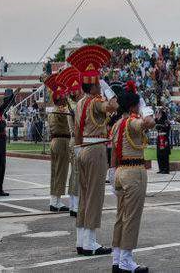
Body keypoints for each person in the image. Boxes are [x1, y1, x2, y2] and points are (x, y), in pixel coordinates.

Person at [69, 45, 118, 256]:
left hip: (82, 148)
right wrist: (108, 89)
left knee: (84, 195)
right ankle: (90, 242)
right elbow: (113, 106)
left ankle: (82, 239)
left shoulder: (80, 102)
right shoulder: (97, 101)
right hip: (95, 148)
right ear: (96, 85)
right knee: (94, 196)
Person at [110, 81, 155, 273]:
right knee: (132, 217)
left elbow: (113, 152)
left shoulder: (117, 124)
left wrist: (112, 174)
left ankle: (117, 258)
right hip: (133, 172)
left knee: (121, 217)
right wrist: (147, 109)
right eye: (137, 105)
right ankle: (127, 259)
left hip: (119, 171)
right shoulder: (131, 122)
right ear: (133, 106)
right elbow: (149, 123)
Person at [57, 66, 83, 217]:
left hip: (74, 141)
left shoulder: (71, 106)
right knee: (77, 174)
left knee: (75, 174)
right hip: (76, 140)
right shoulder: (72, 106)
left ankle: (74, 204)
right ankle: (75, 206)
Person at [44, 72, 71, 212]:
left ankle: (53, 200)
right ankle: (57, 202)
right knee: (61, 172)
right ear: (60, 99)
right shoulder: (61, 110)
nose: (66, 98)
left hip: (55, 141)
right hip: (62, 142)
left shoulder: (53, 110)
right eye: (64, 97)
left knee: (55, 171)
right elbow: (71, 112)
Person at [155, 108, 171, 174]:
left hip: (164, 138)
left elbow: (168, 128)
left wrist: (161, 126)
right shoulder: (157, 120)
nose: (157, 115)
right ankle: (161, 168)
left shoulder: (165, 121)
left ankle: (166, 169)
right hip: (159, 137)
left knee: (165, 154)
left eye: (159, 113)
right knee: (159, 154)